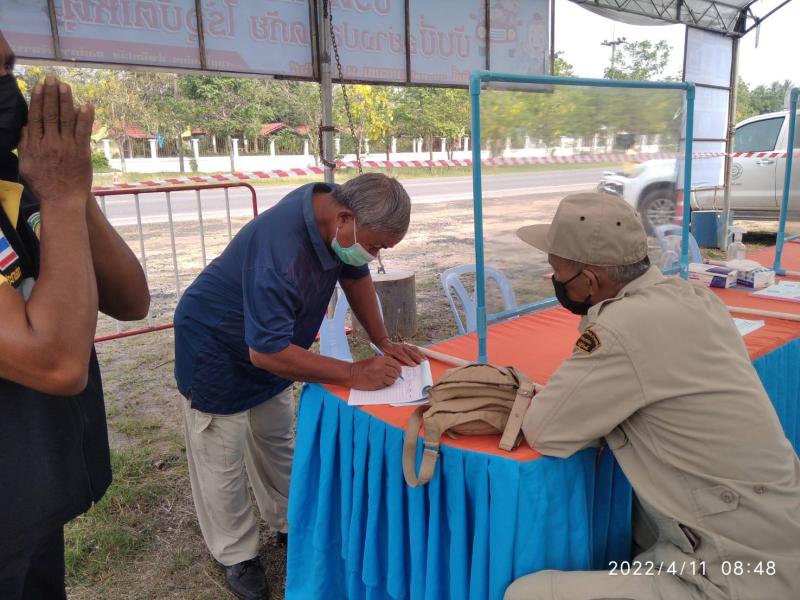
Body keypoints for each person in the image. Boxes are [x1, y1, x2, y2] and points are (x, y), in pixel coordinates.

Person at [506, 192, 800, 600]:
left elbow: (544, 430)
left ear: (590, 281)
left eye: (557, 272)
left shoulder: (620, 328)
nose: (554, 280)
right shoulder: (695, 299)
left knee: (526, 594)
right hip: (777, 533)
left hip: (735, 572)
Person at [174, 172, 423, 600]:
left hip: (276, 341)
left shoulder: (334, 216)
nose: (376, 256)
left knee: (276, 438)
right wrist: (354, 373)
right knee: (222, 455)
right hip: (217, 344)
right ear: (345, 219)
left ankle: (289, 522)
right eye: (377, 246)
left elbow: (356, 276)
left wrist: (383, 341)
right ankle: (237, 553)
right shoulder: (280, 252)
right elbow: (265, 353)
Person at [0, 32, 150, 600]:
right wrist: (61, 194)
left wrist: (70, 189)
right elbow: (57, 363)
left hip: (30, 501)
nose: (10, 90)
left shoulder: (19, 186)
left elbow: (131, 299)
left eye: (8, 68)